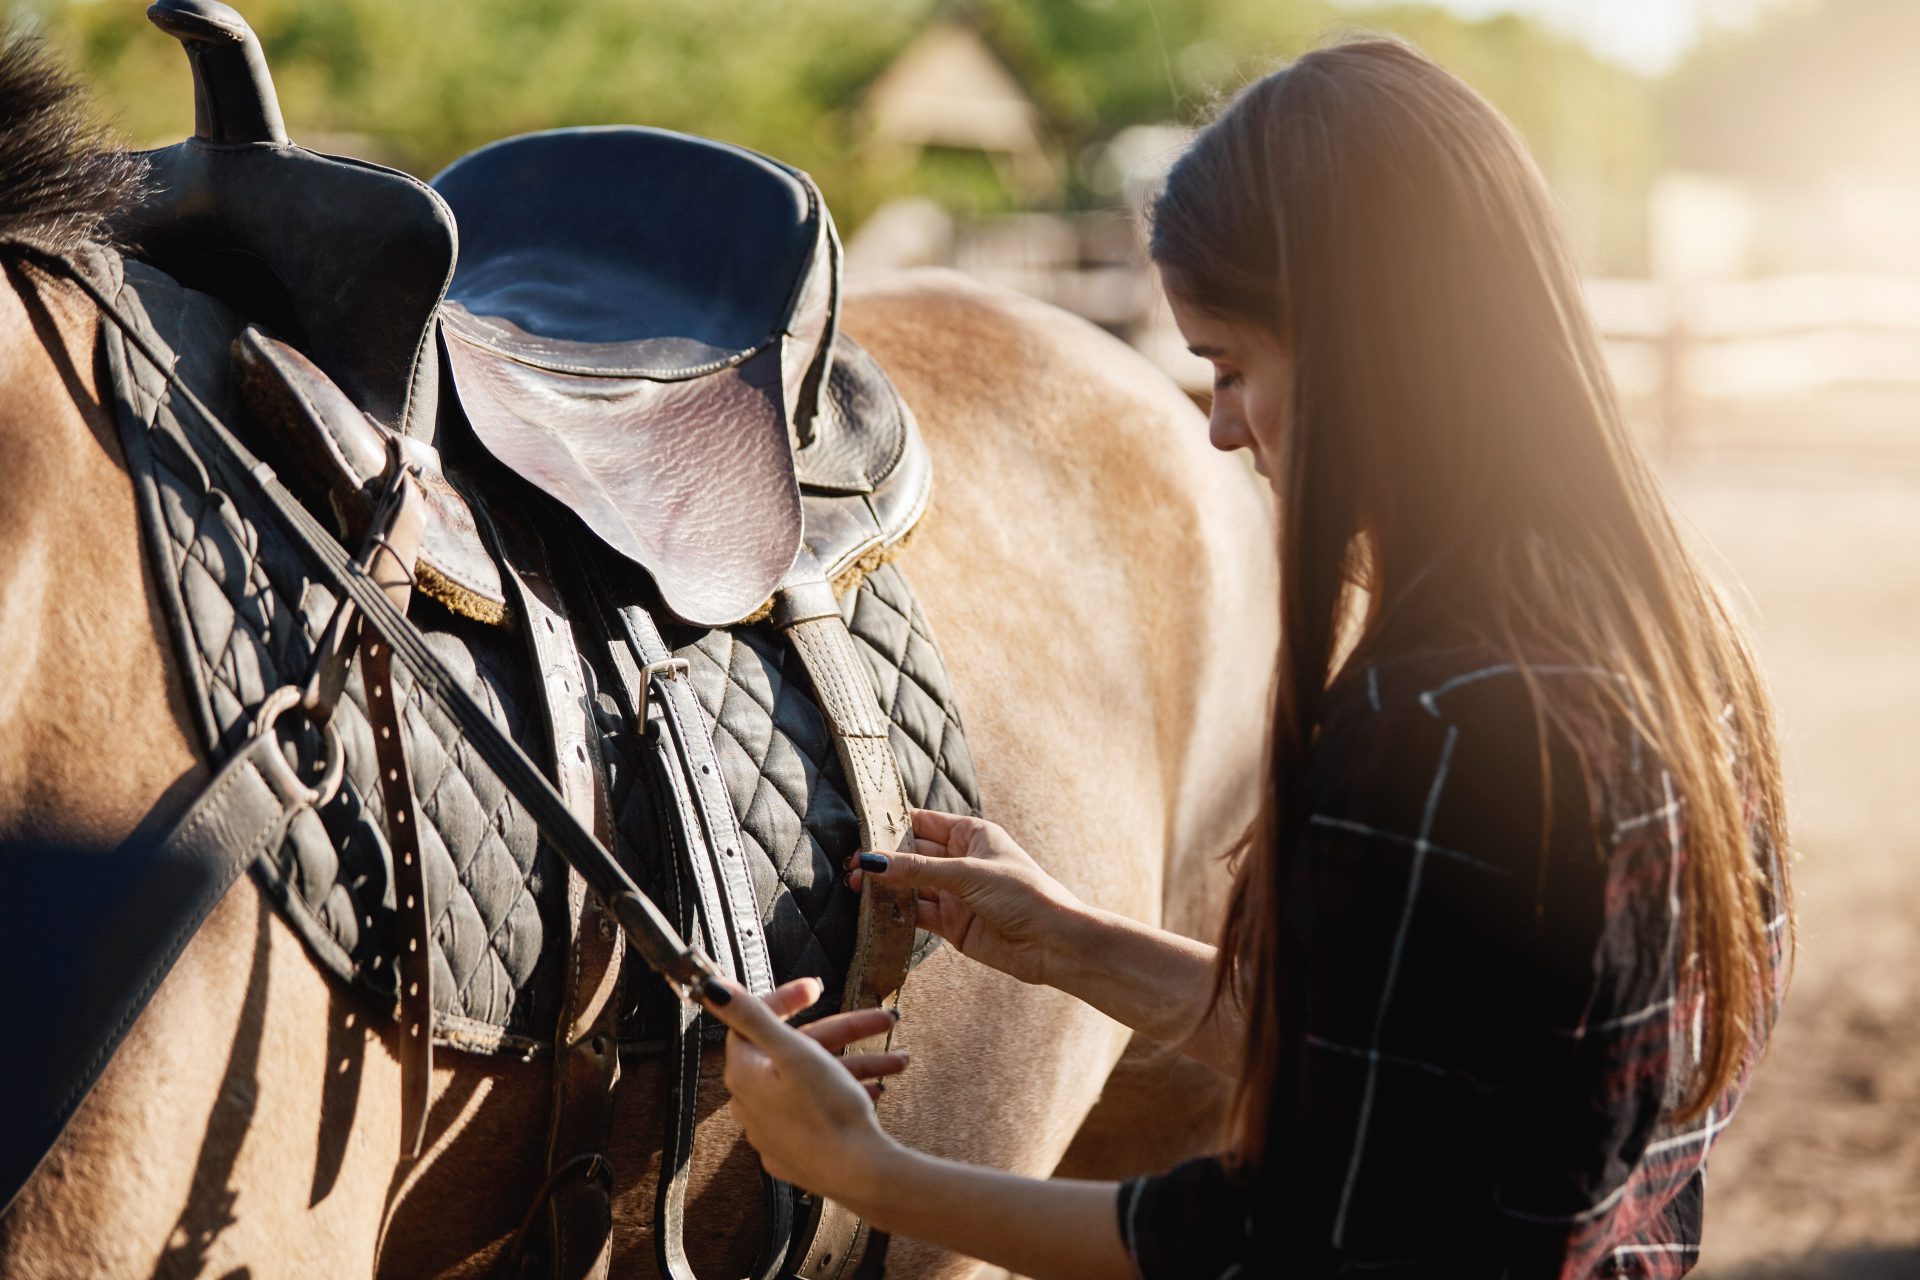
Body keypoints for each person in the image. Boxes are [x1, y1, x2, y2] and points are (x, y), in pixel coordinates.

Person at [696, 36, 1791, 1279]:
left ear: (1369, 347)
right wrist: (1074, 943)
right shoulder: (1678, 642)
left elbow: (1291, 1240)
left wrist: (864, 1171)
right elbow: (1438, 1071)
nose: (1218, 428)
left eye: (1230, 366)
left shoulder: (1434, 720)